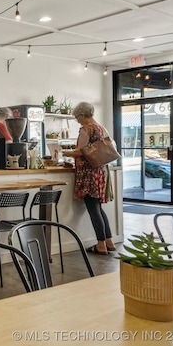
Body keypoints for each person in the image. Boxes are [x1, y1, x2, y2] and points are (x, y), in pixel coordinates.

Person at [62, 102, 116, 255]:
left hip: (88, 173)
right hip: (99, 171)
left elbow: (82, 151)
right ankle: (109, 241)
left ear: (83, 115)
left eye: (77, 117)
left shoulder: (86, 128)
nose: (77, 120)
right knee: (98, 207)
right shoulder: (99, 127)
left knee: (93, 209)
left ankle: (100, 245)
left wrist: (66, 153)